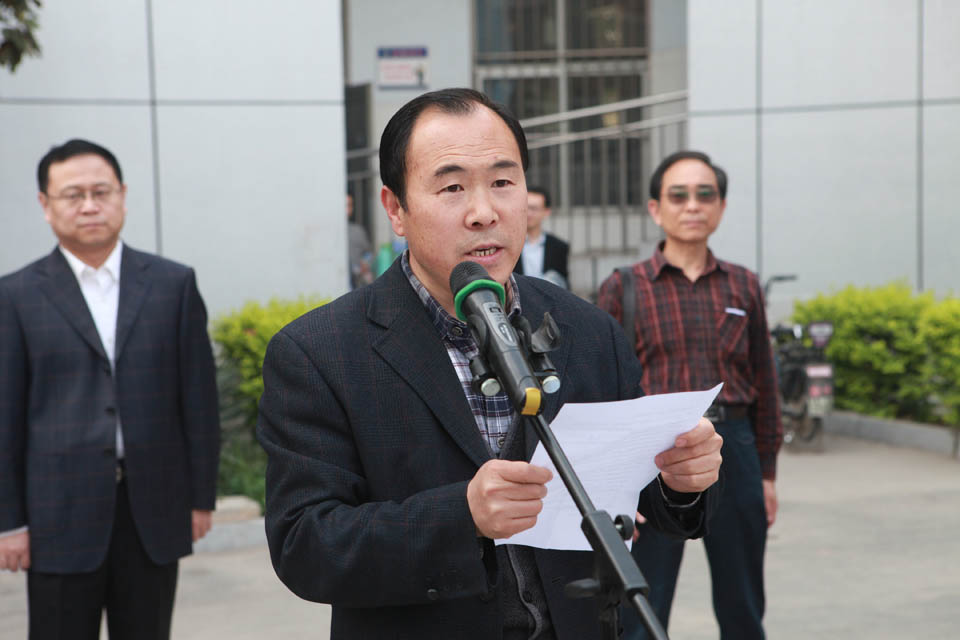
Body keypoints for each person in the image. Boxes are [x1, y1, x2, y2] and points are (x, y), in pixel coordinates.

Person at [257, 88, 724, 640]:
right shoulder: (320, 351)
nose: (484, 213)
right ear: (396, 209)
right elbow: (305, 544)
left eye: (503, 181)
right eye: (452, 188)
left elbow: (642, 500)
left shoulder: (589, 332)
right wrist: (463, 516)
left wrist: (680, 479)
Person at [0, 139, 221, 639]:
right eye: (72, 195)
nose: (89, 206)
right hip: (56, 515)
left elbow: (198, 400)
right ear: (45, 205)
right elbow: (5, 417)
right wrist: (8, 521)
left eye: (101, 192)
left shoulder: (172, 284)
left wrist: (199, 497)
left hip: (152, 510)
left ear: (122, 195)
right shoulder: (14, 296)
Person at [597, 150, 782, 640]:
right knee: (644, 607)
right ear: (656, 209)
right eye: (678, 196)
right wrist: (615, 487)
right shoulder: (625, 286)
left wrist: (766, 474)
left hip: (735, 447)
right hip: (655, 456)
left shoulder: (743, 285)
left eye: (705, 195)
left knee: (743, 604)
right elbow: (603, 392)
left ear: (721, 207)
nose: (693, 205)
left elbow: (765, 381)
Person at [513, 186, 570, 289]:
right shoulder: (510, 244)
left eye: (534, 208)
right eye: (526, 207)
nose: (529, 213)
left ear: (546, 212)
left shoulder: (559, 247)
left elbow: (563, 284)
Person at [346, 192, 374, 289]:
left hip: (356, 284)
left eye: (349, 205)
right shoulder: (329, 234)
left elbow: (369, 253)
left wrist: (365, 263)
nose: (346, 209)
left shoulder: (358, 231)